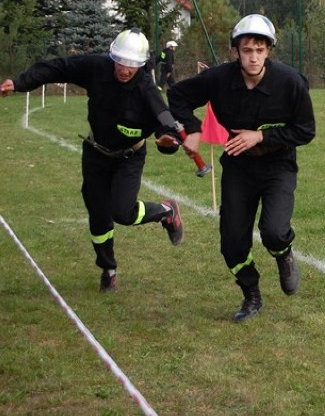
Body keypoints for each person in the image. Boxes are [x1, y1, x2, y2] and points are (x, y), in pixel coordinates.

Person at [0, 28, 186, 293]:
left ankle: (167, 212)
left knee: (122, 212)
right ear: (113, 57)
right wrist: (20, 83)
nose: (124, 69)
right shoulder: (97, 68)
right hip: (96, 153)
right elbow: (56, 68)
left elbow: (166, 125)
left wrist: (168, 142)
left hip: (129, 157)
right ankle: (108, 269)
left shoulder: (147, 90)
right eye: (120, 61)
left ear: (141, 65)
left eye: (132, 64)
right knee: (98, 216)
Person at [167, 14, 316, 322]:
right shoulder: (219, 79)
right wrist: (193, 128)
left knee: (273, 231)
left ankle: (283, 255)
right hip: (238, 169)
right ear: (235, 51)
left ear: (269, 51)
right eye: (247, 49)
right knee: (232, 244)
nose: (253, 57)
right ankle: (251, 295)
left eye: (260, 50)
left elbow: (306, 131)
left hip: (278, 166)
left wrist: (261, 135)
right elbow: (177, 95)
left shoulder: (291, 83)